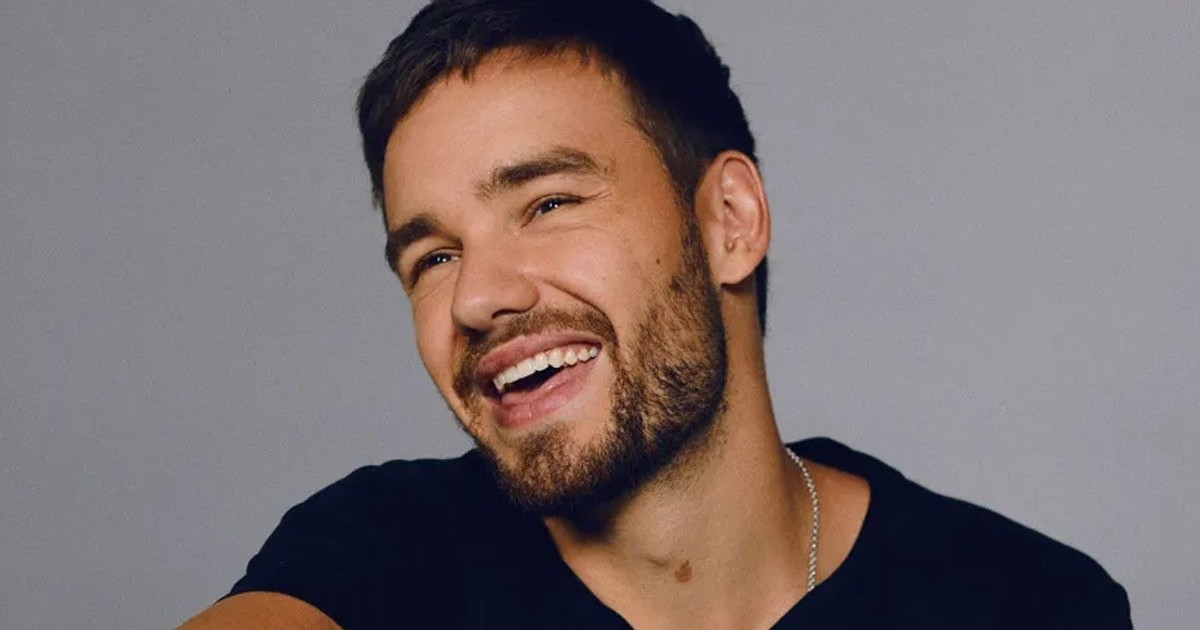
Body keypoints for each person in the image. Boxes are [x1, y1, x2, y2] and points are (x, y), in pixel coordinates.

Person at [182, 0, 1131, 628]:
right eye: (433, 257)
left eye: (548, 203)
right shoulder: (386, 557)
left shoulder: (1026, 603)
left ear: (729, 222)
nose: (476, 296)